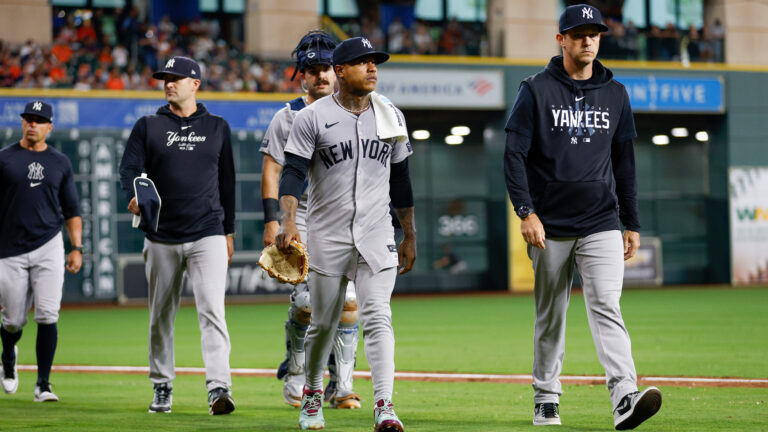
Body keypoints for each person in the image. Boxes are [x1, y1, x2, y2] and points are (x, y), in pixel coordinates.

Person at [503, 5, 662, 430]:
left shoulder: (616, 94)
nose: (587, 40)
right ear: (561, 40)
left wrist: (632, 222)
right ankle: (546, 398)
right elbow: (513, 156)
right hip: (549, 227)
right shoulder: (534, 89)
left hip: (601, 221)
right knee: (551, 313)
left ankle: (625, 393)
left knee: (607, 305)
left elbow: (624, 164)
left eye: (594, 33)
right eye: (578, 34)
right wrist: (526, 212)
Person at [277, 37, 416, 431]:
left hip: (376, 233)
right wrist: (288, 220)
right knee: (323, 323)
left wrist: (410, 233)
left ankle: (385, 405)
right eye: (362, 62)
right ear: (339, 70)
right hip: (327, 233)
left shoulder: (391, 115)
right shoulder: (313, 117)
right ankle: (313, 395)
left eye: (375, 62)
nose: (372, 68)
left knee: (378, 318)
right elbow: (291, 172)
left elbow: (402, 180)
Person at [118, 56, 236, 415]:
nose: (169, 83)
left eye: (177, 78)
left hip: (207, 233)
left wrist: (228, 230)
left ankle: (219, 389)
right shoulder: (148, 125)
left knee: (213, 312)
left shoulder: (217, 126)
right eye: (165, 78)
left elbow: (227, 181)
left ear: (195, 84)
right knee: (160, 315)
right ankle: (162, 386)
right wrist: (133, 196)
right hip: (161, 235)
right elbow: (129, 169)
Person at [261, 30, 362, 410]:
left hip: (341, 216)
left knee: (348, 303)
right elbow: (272, 170)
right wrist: (274, 221)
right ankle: (299, 371)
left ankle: (343, 386)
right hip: (299, 215)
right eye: (312, 69)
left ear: (337, 72)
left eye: (326, 69)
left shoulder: (355, 109)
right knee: (306, 302)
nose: (321, 75)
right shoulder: (287, 116)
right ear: (300, 75)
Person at [0, 101, 82, 402]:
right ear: (22, 123)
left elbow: (72, 209)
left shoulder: (60, 162)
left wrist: (77, 247)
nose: (32, 124)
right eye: (28, 119)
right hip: (8, 249)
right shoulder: (4, 159)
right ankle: (8, 354)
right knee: (12, 321)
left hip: (48, 244)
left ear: (50, 127)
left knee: (48, 314)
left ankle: (43, 384)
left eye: (39, 120)